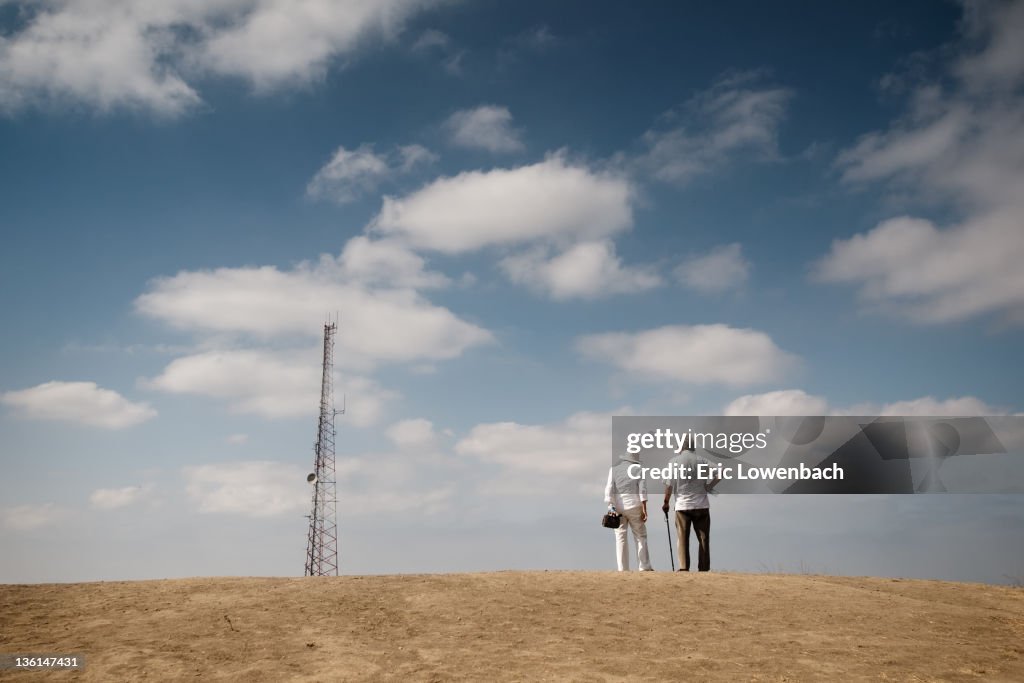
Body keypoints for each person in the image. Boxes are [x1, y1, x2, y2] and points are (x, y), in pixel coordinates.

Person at [662, 436, 720, 572]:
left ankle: (683, 568)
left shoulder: (674, 461)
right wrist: (709, 486)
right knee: (703, 539)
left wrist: (666, 502)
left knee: (682, 538)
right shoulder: (702, 460)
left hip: (682, 506)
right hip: (702, 505)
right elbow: (720, 472)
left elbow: (669, 485)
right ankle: (704, 568)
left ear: (681, 447)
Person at [604, 452, 652, 571]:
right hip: (635, 506)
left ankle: (623, 569)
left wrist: (611, 509)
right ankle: (644, 567)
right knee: (640, 536)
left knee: (620, 538)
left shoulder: (613, 470)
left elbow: (609, 490)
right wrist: (644, 509)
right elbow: (643, 490)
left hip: (618, 507)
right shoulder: (639, 469)